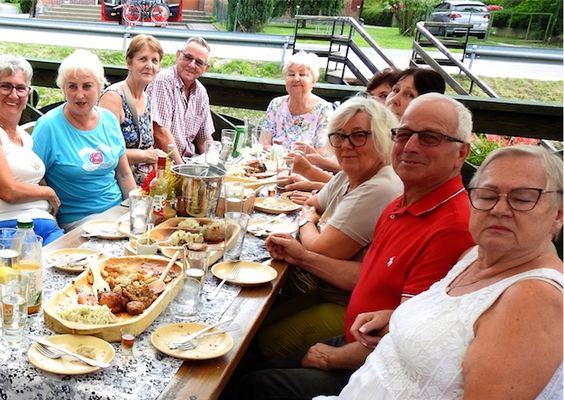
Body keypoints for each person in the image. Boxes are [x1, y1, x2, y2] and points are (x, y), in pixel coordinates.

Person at [225, 93, 476, 399]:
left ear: (461, 152)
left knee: (251, 385)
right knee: (241, 350)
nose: (410, 146)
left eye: (430, 138)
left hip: (373, 366)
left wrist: (334, 357)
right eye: (405, 134)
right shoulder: (401, 203)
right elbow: (366, 277)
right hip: (353, 333)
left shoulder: (452, 227)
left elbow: (408, 339)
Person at [321, 145, 563, 399]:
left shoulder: (535, 299)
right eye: (488, 195)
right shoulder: (473, 257)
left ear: (558, 215)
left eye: (523, 198)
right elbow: (458, 329)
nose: (499, 210)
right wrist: (397, 319)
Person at [256, 97, 403, 358]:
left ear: (382, 137)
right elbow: (315, 202)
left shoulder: (381, 186)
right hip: (329, 290)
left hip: (358, 311)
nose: (346, 145)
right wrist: (313, 217)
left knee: (263, 342)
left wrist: (307, 221)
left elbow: (322, 248)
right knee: (256, 323)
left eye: (359, 136)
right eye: (339, 136)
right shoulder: (353, 172)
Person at [32, 50, 136, 230]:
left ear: (99, 87)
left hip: (118, 211)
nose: (79, 95)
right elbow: (34, 177)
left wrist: (135, 211)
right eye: (72, 86)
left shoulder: (109, 120)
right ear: (63, 89)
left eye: (87, 86)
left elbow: (124, 173)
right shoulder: (48, 127)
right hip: (78, 220)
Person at [0, 54, 63, 244]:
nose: (13, 94)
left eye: (20, 88)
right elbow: (7, 191)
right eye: (5, 86)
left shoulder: (24, 137)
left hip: (42, 224)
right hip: (2, 226)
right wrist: (48, 192)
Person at [98, 34, 165, 185]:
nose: (149, 65)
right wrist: (146, 155)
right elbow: (105, 151)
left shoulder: (146, 98)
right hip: (117, 181)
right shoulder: (113, 98)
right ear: (129, 62)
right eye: (143, 59)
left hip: (144, 181)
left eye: (155, 61)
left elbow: (148, 145)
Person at [148, 36, 214, 165]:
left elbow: (204, 139)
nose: (192, 65)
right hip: (160, 163)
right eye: (188, 57)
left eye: (199, 62)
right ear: (178, 55)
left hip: (188, 162)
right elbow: (160, 132)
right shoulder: (164, 80)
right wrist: (182, 170)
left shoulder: (201, 92)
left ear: (206, 68)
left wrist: (215, 162)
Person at [259, 51, 334, 150]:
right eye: (291, 74)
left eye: (302, 74)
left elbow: (323, 152)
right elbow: (263, 144)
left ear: (313, 81)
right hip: (272, 163)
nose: (296, 78)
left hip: (307, 165)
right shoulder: (276, 104)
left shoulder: (324, 109)